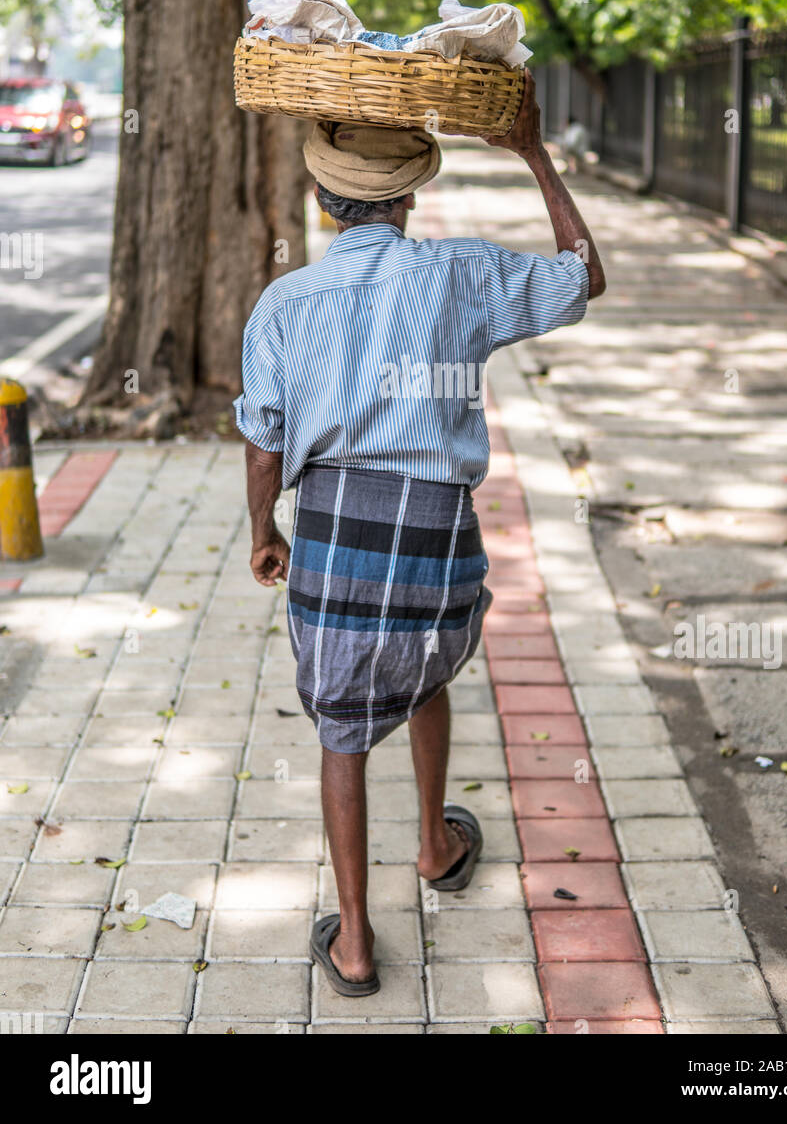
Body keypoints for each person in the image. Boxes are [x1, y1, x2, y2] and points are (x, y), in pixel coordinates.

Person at [233, 74, 605, 996]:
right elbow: (584, 271)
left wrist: (264, 530)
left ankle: (355, 942)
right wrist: (531, 151)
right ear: (409, 194)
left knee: (341, 728)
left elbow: (263, 437)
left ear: (323, 199)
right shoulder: (461, 275)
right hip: (440, 533)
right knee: (426, 669)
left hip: (333, 525)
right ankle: (436, 846)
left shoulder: (285, 304)